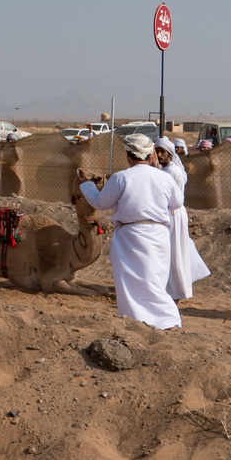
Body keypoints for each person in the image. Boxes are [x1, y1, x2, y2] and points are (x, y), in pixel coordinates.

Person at [79, 133, 183, 329]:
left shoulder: (121, 178)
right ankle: (165, 322)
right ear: (150, 153)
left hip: (130, 237)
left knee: (133, 283)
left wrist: (87, 186)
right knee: (154, 280)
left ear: (128, 153)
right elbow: (177, 202)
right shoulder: (164, 177)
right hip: (159, 235)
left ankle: (151, 321)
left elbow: (101, 203)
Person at [155, 136, 210, 301]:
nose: (159, 155)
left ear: (170, 153)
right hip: (167, 212)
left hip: (173, 214)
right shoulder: (163, 170)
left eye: (162, 152)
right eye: (157, 151)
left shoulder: (173, 171)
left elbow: (171, 197)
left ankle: (176, 291)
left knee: (174, 251)